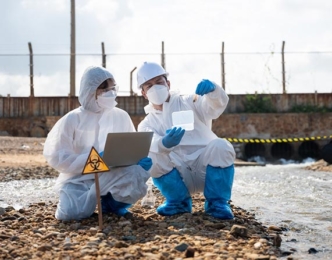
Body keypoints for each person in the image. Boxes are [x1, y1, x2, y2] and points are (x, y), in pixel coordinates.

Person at [43, 66, 152, 221]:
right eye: (104, 89)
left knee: (136, 173)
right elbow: (56, 156)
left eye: (113, 88)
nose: (111, 92)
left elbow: (130, 147)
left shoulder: (121, 116)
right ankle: (91, 200)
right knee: (69, 214)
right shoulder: (73, 119)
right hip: (77, 178)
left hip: (111, 174)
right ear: (90, 91)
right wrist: (92, 160)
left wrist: (138, 161)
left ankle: (111, 205)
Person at [136, 61, 236, 219]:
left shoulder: (191, 101)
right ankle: (178, 202)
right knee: (152, 155)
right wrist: (163, 143)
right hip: (179, 177)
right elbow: (151, 142)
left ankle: (217, 203)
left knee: (221, 146)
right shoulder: (146, 124)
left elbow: (215, 107)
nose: (155, 87)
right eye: (149, 85)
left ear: (168, 84)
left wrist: (214, 91)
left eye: (159, 82)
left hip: (207, 171)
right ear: (143, 93)